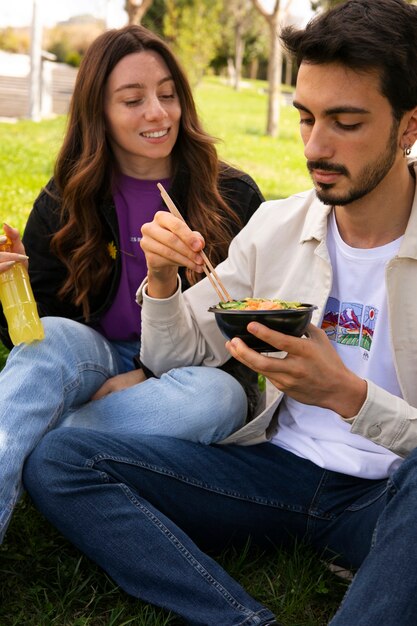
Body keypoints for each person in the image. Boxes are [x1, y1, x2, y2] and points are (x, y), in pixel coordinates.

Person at [23, 0, 417, 624]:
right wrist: (160, 283)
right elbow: (178, 355)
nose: (316, 145)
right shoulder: (279, 227)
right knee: (61, 461)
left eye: (346, 122)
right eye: (306, 118)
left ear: (408, 126)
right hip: (275, 472)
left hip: (391, 495)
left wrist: (347, 395)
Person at [0, 24, 264, 544]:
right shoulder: (68, 194)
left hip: (193, 370)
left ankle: (41, 439)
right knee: (48, 341)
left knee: (220, 401)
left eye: (168, 95)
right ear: (98, 111)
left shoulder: (232, 194)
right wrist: (14, 286)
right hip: (95, 353)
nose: (158, 113)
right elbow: (42, 333)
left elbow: (248, 325)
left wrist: (143, 374)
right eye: (132, 99)